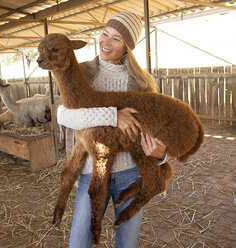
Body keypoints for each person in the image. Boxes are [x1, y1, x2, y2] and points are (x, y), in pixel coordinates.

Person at [57, 11, 168, 248]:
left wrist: (160, 156)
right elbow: (64, 114)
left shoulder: (142, 83)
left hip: (131, 173)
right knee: (79, 242)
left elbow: (157, 131)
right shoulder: (83, 73)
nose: (105, 42)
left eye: (116, 39)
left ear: (127, 47)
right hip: (91, 173)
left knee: (128, 243)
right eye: (105, 34)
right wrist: (113, 116)